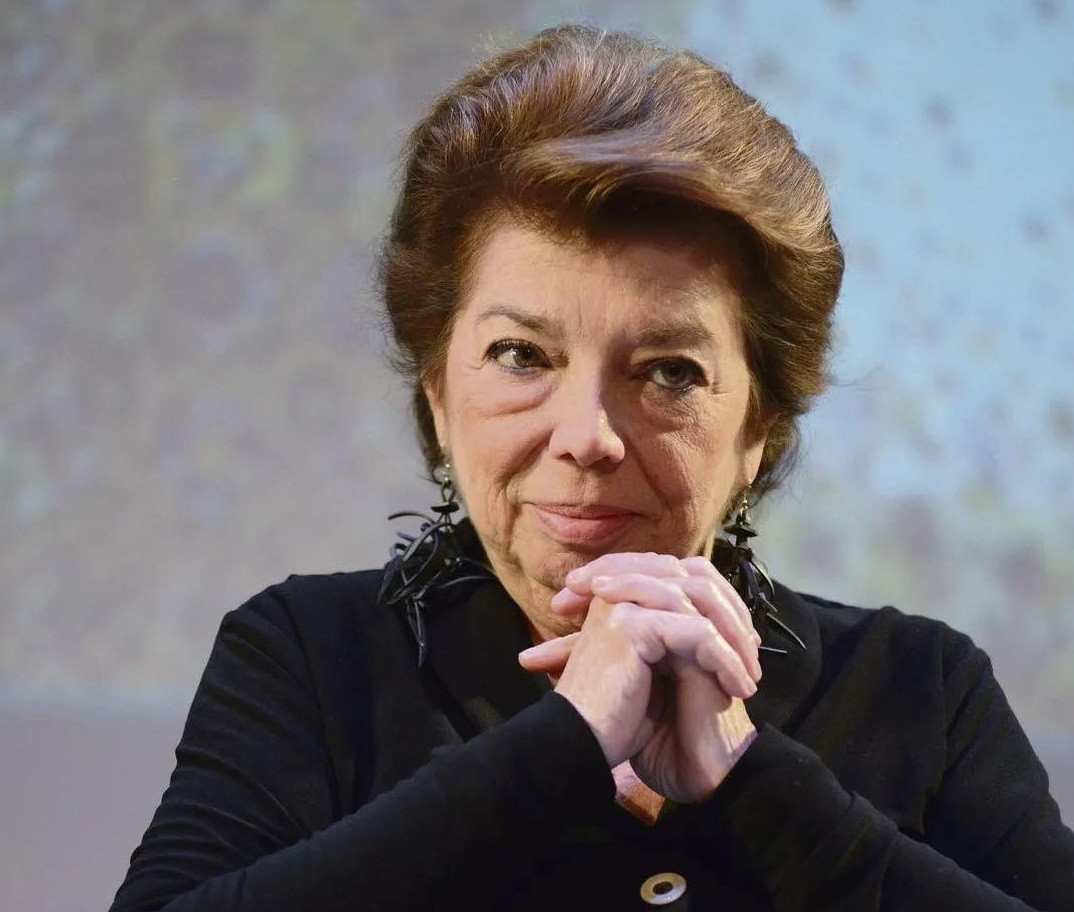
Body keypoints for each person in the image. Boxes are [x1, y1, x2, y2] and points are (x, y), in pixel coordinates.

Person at [109, 24, 1074, 912]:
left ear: (761, 427)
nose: (588, 435)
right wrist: (561, 744)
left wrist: (752, 781)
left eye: (668, 372)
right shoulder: (314, 657)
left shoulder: (919, 687)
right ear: (437, 392)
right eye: (521, 355)